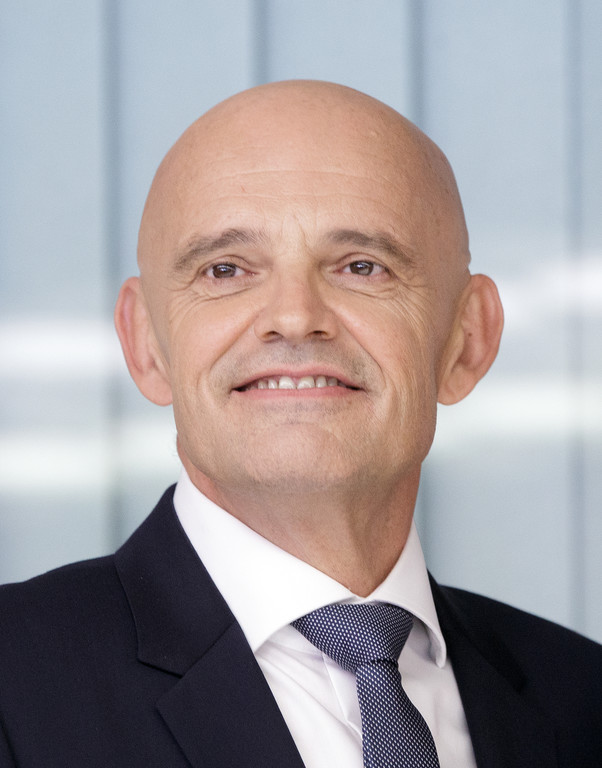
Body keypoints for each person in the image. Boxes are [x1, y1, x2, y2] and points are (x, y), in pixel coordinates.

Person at [0, 81, 600, 768]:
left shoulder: (583, 697)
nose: (293, 316)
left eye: (362, 267)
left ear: (467, 340)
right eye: (225, 269)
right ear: (145, 346)